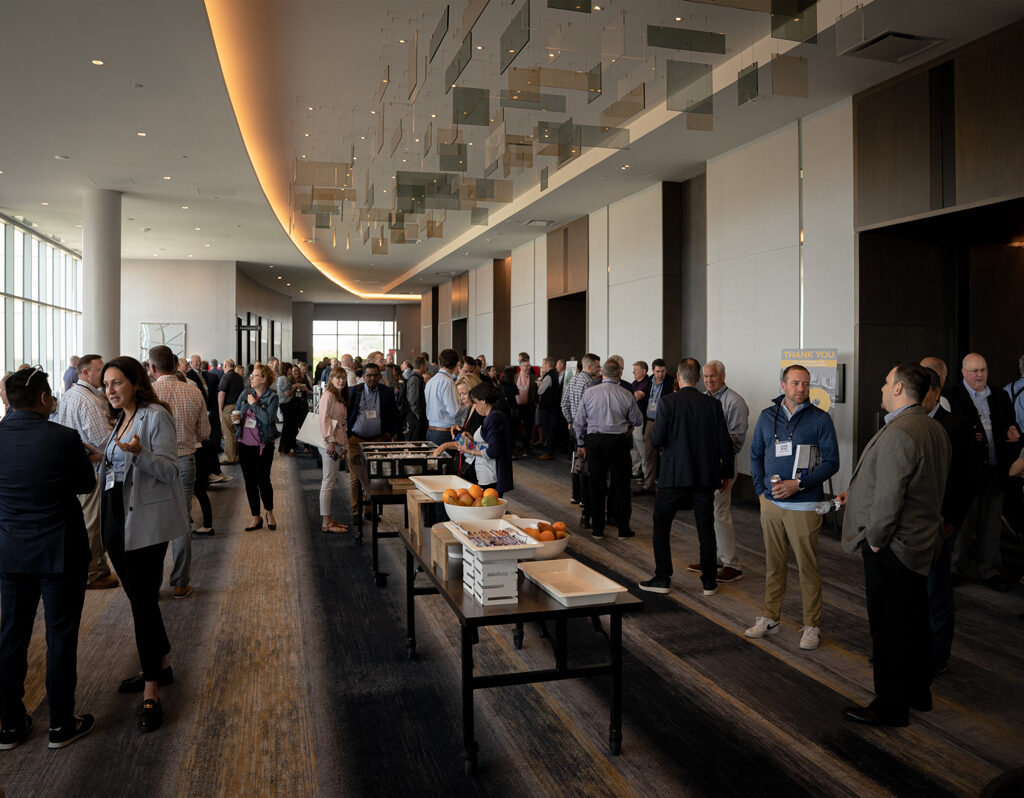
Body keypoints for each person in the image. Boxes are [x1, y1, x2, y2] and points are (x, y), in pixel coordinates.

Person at [839, 363, 951, 727]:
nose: (883, 388)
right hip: (921, 543)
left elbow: (889, 500)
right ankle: (919, 693)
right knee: (915, 623)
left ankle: (890, 707)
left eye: (887, 382)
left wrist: (874, 541)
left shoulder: (901, 433)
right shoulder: (933, 428)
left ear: (901, 388)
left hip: (893, 548)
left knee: (888, 629)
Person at [0, 366, 98, 750]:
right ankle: (60, 724)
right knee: (60, 636)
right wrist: (86, 459)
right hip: (61, 552)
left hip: (11, 553)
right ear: (44, 399)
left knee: (11, 637)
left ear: (9, 400)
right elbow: (84, 486)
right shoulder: (63, 438)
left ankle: (8, 724)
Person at [99, 356, 188, 733]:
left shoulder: (155, 416)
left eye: (116, 383)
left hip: (145, 523)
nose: (110, 391)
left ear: (135, 381)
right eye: (106, 385)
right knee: (140, 601)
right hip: (117, 518)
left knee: (143, 605)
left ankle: (151, 688)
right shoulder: (120, 418)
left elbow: (170, 470)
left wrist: (139, 453)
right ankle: (161, 666)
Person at [746, 364, 840, 651]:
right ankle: (771, 617)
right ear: (783, 385)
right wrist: (762, 492)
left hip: (804, 504)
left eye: (806, 384)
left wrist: (799, 485)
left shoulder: (820, 419)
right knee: (774, 566)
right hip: (771, 505)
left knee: (807, 568)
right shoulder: (766, 417)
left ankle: (811, 625)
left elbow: (831, 462)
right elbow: (755, 455)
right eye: (796, 383)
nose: (802, 388)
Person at [639, 359, 734, 596]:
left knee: (661, 525)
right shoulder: (713, 404)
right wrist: (727, 473)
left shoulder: (668, 402)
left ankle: (663, 578)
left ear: (678, 378)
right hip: (705, 476)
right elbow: (725, 443)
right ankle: (709, 582)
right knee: (706, 527)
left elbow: (657, 438)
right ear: (699, 378)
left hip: (674, 475)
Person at [944, 352, 1021, 590]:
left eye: (983, 370)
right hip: (966, 472)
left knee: (991, 525)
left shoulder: (1000, 396)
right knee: (963, 523)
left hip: (996, 470)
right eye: (975, 371)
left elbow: (1011, 426)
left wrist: (1014, 432)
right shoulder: (951, 397)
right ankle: (956, 568)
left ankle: (990, 570)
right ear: (964, 373)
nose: (980, 375)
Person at [919, 363, 974, 676]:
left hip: (941, 524)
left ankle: (937, 655)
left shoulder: (956, 426)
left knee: (936, 592)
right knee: (914, 593)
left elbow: (966, 481)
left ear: (936, 393)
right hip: (911, 527)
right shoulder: (907, 423)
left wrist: (950, 523)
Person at [50, 353, 118, 590]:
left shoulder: (70, 394)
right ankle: (93, 572)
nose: (104, 374)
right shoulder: (89, 400)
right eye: (99, 370)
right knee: (93, 521)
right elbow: (102, 440)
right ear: (85, 373)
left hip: (74, 467)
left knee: (83, 519)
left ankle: (89, 568)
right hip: (92, 468)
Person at [149, 345, 209, 599]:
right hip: (184, 460)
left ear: (151, 368)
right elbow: (205, 433)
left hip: (152, 464)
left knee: (152, 520)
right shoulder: (193, 391)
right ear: (176, 365)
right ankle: (181, 582)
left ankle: (152, 583)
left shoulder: (146, 394)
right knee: (181, 520)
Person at [687, 360, 750, 583]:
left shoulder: (735, 402)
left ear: (723, 376)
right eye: (705, 377)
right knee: (708, 512)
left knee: (720, 512)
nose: (708, 380)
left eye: (712, 376)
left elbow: (736, 440)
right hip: (704, 465)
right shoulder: (704, 400)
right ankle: (711, 559)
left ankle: (732, 564)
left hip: (722, 464)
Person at [573, 359, 643, 538]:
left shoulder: (589, 393)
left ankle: (597, 530)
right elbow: (637, 420)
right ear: (620, 374)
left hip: (594, 441)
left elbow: (579, 422)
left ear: (602, 373)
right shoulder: (626, 394)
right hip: (617, 442)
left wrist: (581, 444)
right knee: (621, 485)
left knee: (597, 484)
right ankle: (623, 529)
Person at [346, 363, 401, 518]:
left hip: (377, 441)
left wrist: (390, 432)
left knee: (375, 476)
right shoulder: (353, 392)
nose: (372, 378)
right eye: (368, 375)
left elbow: (394, 415)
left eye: (375, 375)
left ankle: (370, 510)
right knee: (355, 478)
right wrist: (346, 434)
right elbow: (345, 414)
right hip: (355, 441)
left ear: (380, 376)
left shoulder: (387, 392)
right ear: (363, 377)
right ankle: (356, 511)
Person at [235, 364, 279, 531]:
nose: (251, 378)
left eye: (255, 375)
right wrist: (236, 418)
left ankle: (269, 512)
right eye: (251, 375)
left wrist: (253, 404)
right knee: (249, 481)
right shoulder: (245, 393)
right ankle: (256, 516)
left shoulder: (272, 397)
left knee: (263, 480)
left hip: (264, 445)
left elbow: (268, 419)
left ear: (264, 379)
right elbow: (238, 410)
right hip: (244, 444)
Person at [453, 382, 513, 495]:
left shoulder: (493, 418)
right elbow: (488, 442)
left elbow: (493, 451)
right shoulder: (493, 416)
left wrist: (469, 451)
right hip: (487, 472)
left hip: (490, 475)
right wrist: (473, 440)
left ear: (483, 400)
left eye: (475, 403)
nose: (475, 407)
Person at [562, 354, 601, 514]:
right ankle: (585, 499)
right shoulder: (589, 384)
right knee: (585, 465)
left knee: (576, 462)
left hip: (573, 429)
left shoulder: (573, 379)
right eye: (598, 367)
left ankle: (575, 495)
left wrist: (570, 420)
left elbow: (564, 403)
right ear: (590, 367)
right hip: (585, 429)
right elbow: (589, 410)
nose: (599, 370)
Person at [317, 367, 349, 533]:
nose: (341, 380)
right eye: (337, 377)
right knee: (328, 482)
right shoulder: (328, 396)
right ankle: (326, 522)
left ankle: (329, 519)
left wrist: (343, 446)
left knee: (330, 481)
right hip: (328, 443)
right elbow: (324, 420)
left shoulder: (340, 396)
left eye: (343, 377)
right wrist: (330, 441)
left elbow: (342, 424)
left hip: (337, 443)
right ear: (331, 379)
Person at [638, 358, 674, 496]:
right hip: (650, 421)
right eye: (657, 371)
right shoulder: (649, 381)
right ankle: (649, 486)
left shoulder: (670, 382)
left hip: (665, 422)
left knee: (665, 453)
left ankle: (666, 485)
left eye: (663, 371)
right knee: (649, 454)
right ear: (653, 371)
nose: (660, 374)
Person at [424, 349, 460, 447]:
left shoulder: (431, 381)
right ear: (456, 364)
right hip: (444, 432)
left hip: (431, 430)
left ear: (440, 363)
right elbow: (453, 411)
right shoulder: (448, 381)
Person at [277, 362, 308, 456]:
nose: (291, 371)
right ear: (287, 369)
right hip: (286, 404)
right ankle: (285, 448)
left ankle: (285, 447)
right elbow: (287, 393)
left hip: (284, 404)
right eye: (290, 369)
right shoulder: (285, 379)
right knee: (288, 427)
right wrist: (294, 386)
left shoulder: (280, 378)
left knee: (287, 427)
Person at [218, 358, 244, 464]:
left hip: (228, 408)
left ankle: (229, 457)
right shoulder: (239, 377)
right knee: (236, 431)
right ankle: (237, 455)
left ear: (225, 366)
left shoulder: (226, 376)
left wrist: (220, 408)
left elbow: (222, 393)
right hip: (238, 408)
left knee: (228, 433)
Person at [629, 361, 651, 480]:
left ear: (644, 371)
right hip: (633, 419)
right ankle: (635, 471)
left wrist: (628, 396)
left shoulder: (646, 383)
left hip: (641, 419)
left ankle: (646, 474)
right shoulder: (634, 383)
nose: (633, 372)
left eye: (636, 369)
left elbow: (637, 396)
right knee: (634, 447)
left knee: (642, 447)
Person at [536, 357, 561, 461]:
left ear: (547, 365)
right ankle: (550, 451)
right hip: (552, 406)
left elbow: (540, 391)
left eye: (543, 365)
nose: (542, 367)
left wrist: (538, 384)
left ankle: (549, 452)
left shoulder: (548, 376)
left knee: (547, 429)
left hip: (546, 407)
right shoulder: (555, 374)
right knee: (550, 429)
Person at [515, 356, 539, 455]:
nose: (528, 367)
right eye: (525, 366)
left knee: (528, 428)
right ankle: (513, 447)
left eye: (529, 366)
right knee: (515, 427)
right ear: (520, 366)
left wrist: (535, 402)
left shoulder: (534, 377)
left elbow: (537, 392)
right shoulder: (515, 376)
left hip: (528, 407)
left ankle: (526, 447)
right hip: (517, 407)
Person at [404, 357, 428, 441]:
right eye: (426, 365)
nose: (426, 367)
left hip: (417, 415)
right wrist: (418, 415)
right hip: (415, 416)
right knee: (415, 440)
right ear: (422, 366)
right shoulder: (415, 379)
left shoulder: (417, 377)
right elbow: (413, 400)